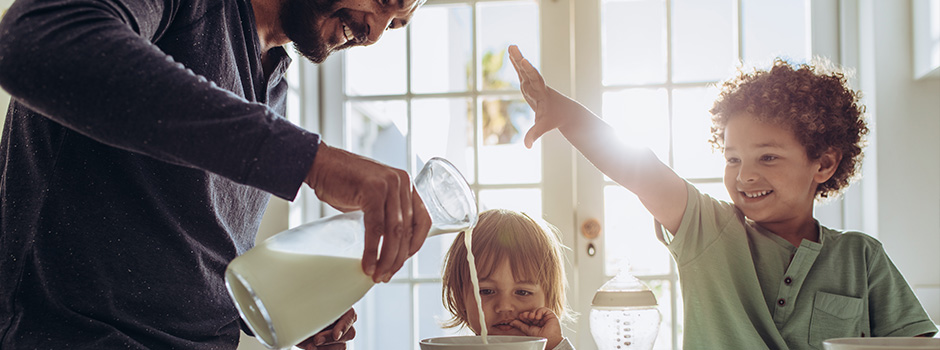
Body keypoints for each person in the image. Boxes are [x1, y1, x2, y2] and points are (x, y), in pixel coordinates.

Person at [0, 0, 432, 348]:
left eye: (395, 25)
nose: (374, 34)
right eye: (384, 3)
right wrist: (311, 160)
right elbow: (37, 41)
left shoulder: (275, 84)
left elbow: (195, 250)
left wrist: (284, 304)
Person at [508, 45, 938, 349]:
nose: (745, 175)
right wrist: (564, 113)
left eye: (767, 157)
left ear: (823, 165)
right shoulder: (708, 232)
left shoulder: (862, 258)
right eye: (733, 159)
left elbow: (914, 342)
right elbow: (638, 168)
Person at [441, 209, 576, 350]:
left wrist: (554, 344)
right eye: (486, 291)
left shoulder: (549, 346)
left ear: (549, 299)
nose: (504, 306)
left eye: (522, 292)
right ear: (460, 298)